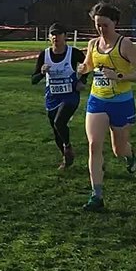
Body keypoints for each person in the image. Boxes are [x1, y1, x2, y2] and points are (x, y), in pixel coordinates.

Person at [78, 2, 136, 211]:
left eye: (105, 25)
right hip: (97, 100)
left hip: (121, 103)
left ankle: (129, 155)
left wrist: (118, 76)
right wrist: (83, 68)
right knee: (94, 145)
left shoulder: (125, 45)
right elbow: (90, 65)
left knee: (118, 149)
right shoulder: (92, 44)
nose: (101, 29)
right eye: (97, 25)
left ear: (115, 23)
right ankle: (96, 195)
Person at [30, 21, 87, 170]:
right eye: (52, 34)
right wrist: (42, 72)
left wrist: (82, 80)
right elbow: (33, 80)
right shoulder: (45, 55)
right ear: (49, 37)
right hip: (52, 97)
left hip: (70, 95)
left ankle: (68, 147)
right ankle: (66, 156)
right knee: (56, 131)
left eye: (58, 34)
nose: (55, 37)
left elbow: (88, 66)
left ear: (65, 36)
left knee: (59, 122)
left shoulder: (73, 53)